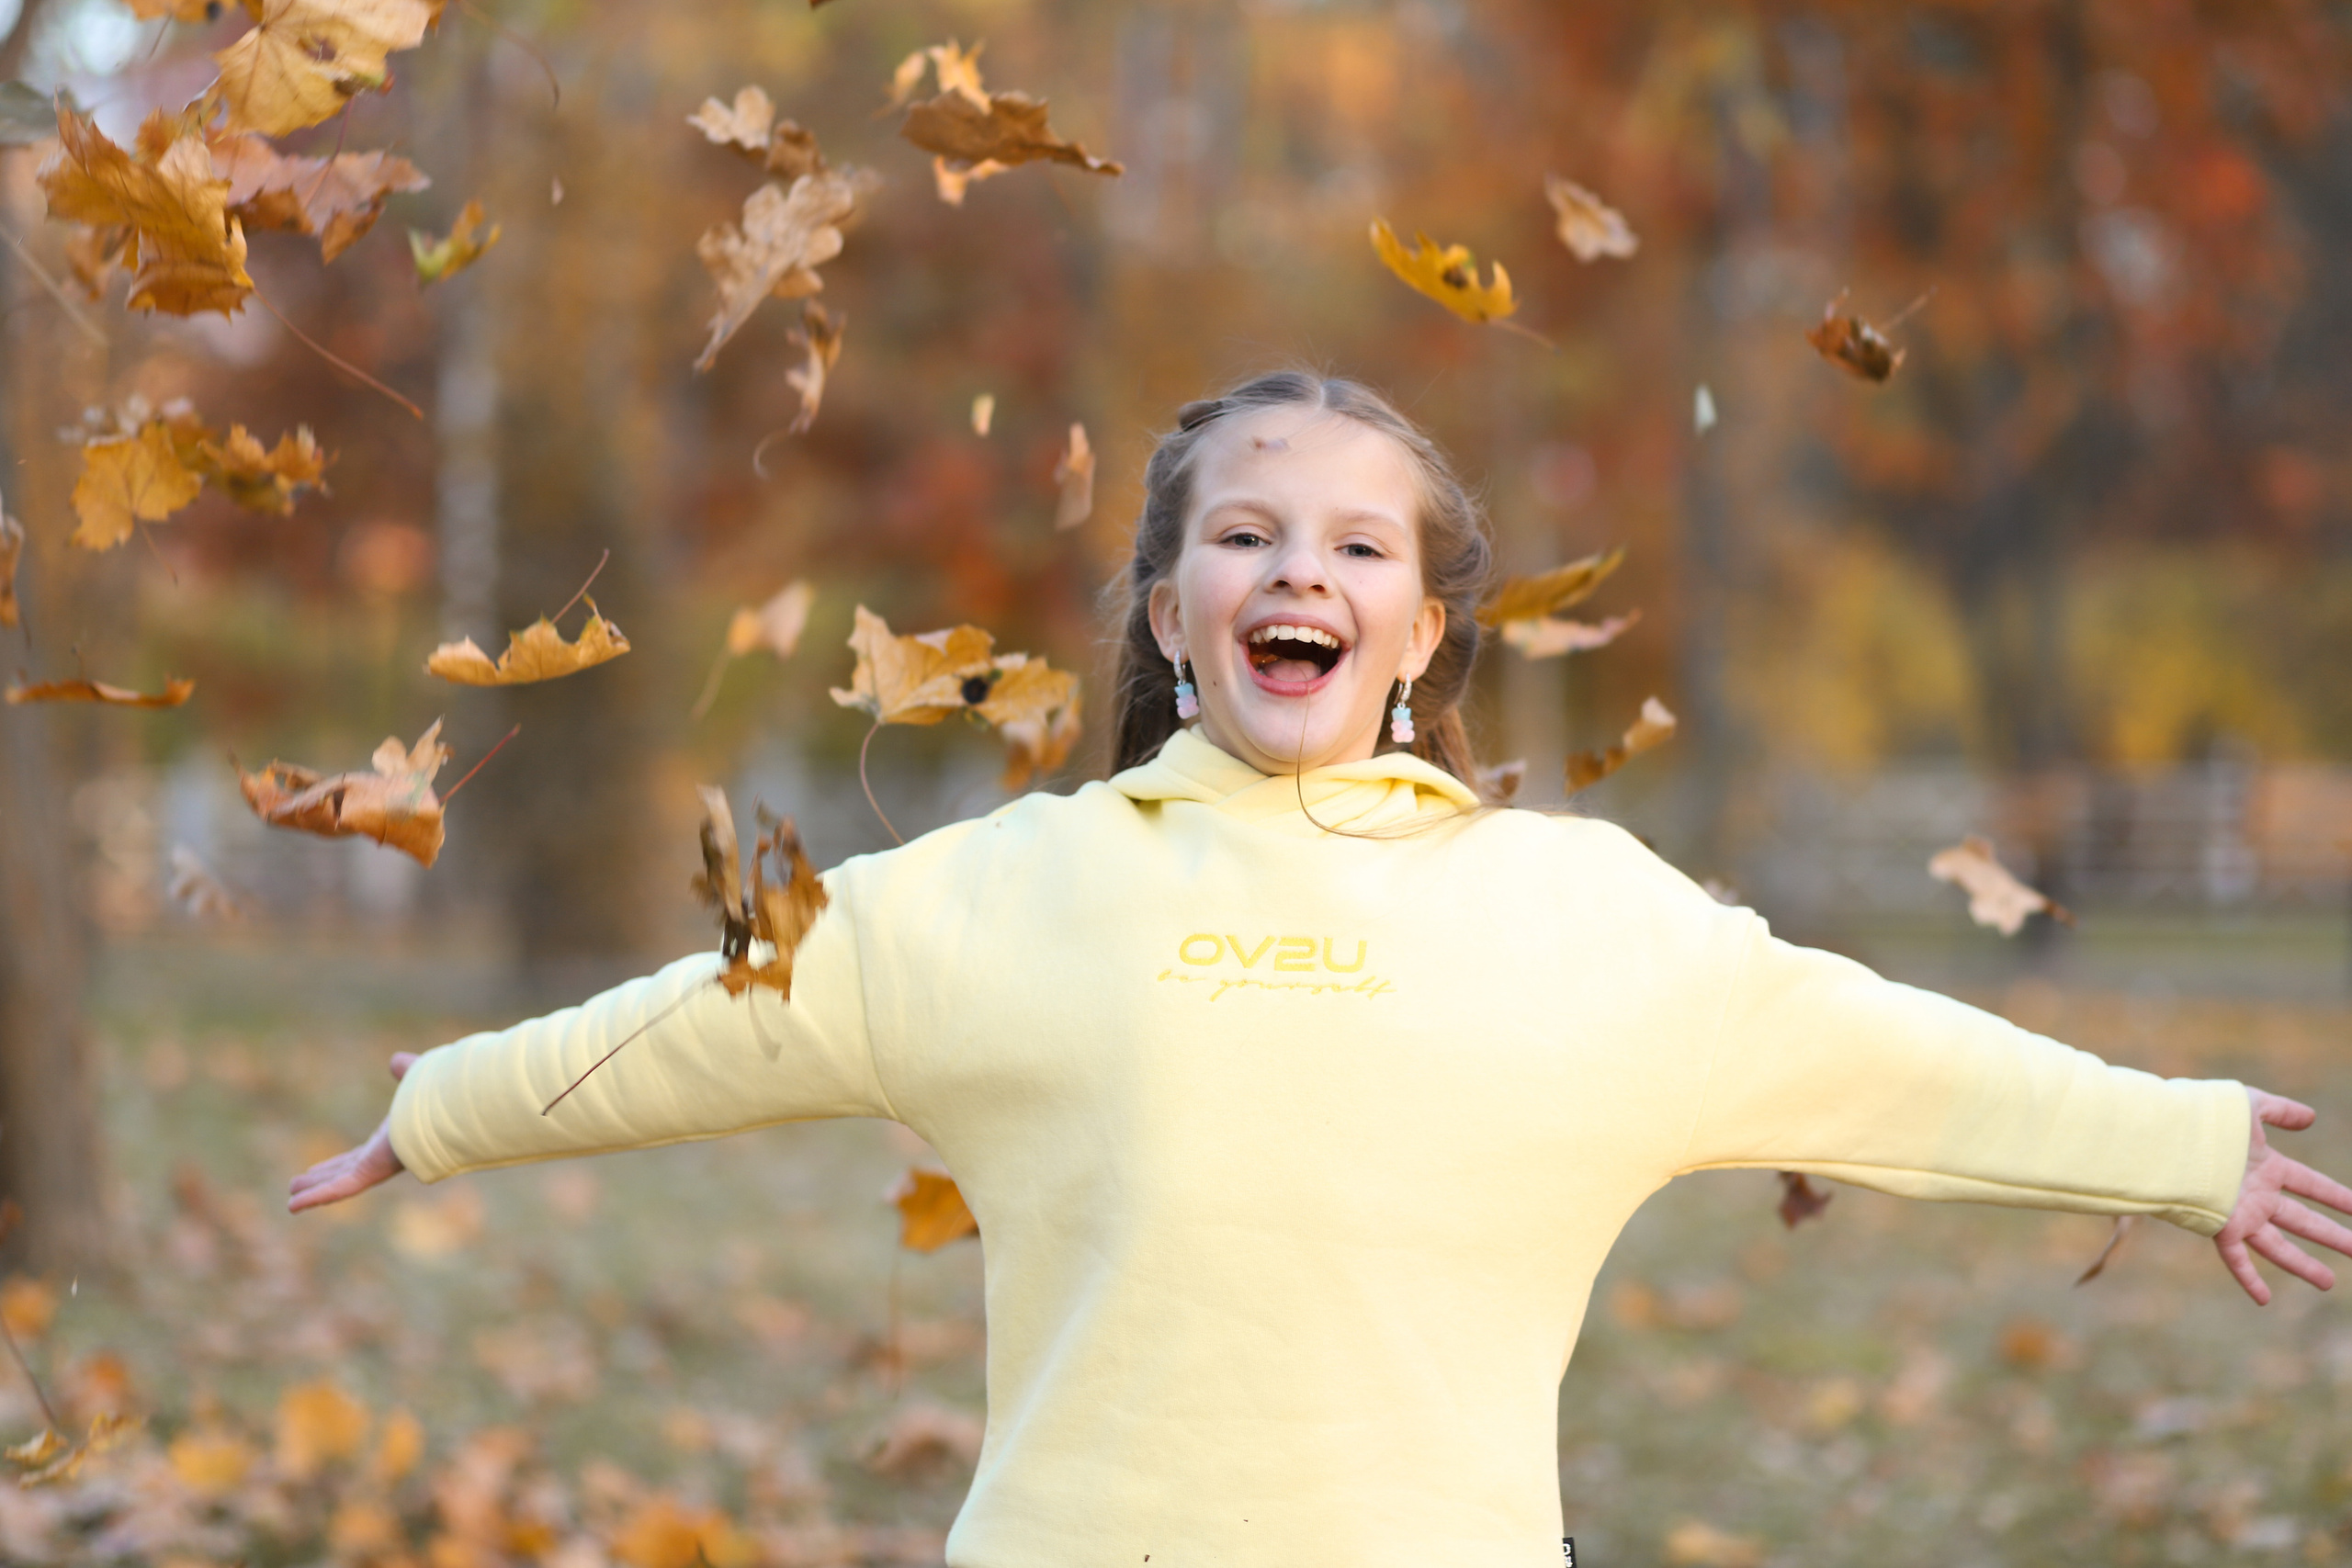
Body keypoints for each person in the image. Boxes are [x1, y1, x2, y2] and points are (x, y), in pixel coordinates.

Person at [290, 370, 2352, 1568]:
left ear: (1423, 628)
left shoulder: (1582, 919)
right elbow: (706, 1011)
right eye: (1248, 534)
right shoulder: (995, 896)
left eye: (1360, 546)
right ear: (1168, 607)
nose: (1303, 571)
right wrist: (438, 1104)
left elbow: (1870, 1050)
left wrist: (2170, 1139)